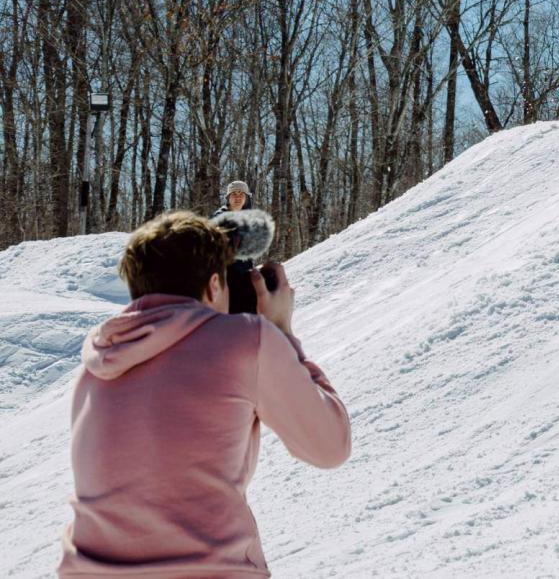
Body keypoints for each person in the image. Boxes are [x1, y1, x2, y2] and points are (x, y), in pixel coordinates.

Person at [59, 211, 351, 578]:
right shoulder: (246, 340)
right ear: (214, 285)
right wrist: (280, 332)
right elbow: (329, 447)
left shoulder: (99, 359)